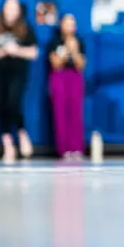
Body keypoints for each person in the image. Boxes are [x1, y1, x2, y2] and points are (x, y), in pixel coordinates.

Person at [0, 0, 39, 162]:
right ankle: (7, 143)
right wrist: (4, 51)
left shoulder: (26, 30)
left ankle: (22, 133)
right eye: (8, 8)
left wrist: (17, 50)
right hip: (0, 74)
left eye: (14, 9)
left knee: (14, 102)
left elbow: (34, 52)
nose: (11, 12)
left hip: (18, 73)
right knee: (2, 105)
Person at [48, 13, 87, 160]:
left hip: (74, 77)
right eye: (67, 23)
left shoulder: (80, 42)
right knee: (60, 111)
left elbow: (81, 65)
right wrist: (65, 50)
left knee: (75, 111)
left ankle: (76, 148)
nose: (70, 26)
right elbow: (55, 64)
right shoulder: (54, 42)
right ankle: (63, 149)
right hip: (59, 77)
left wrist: (75, 50)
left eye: (73, 23)